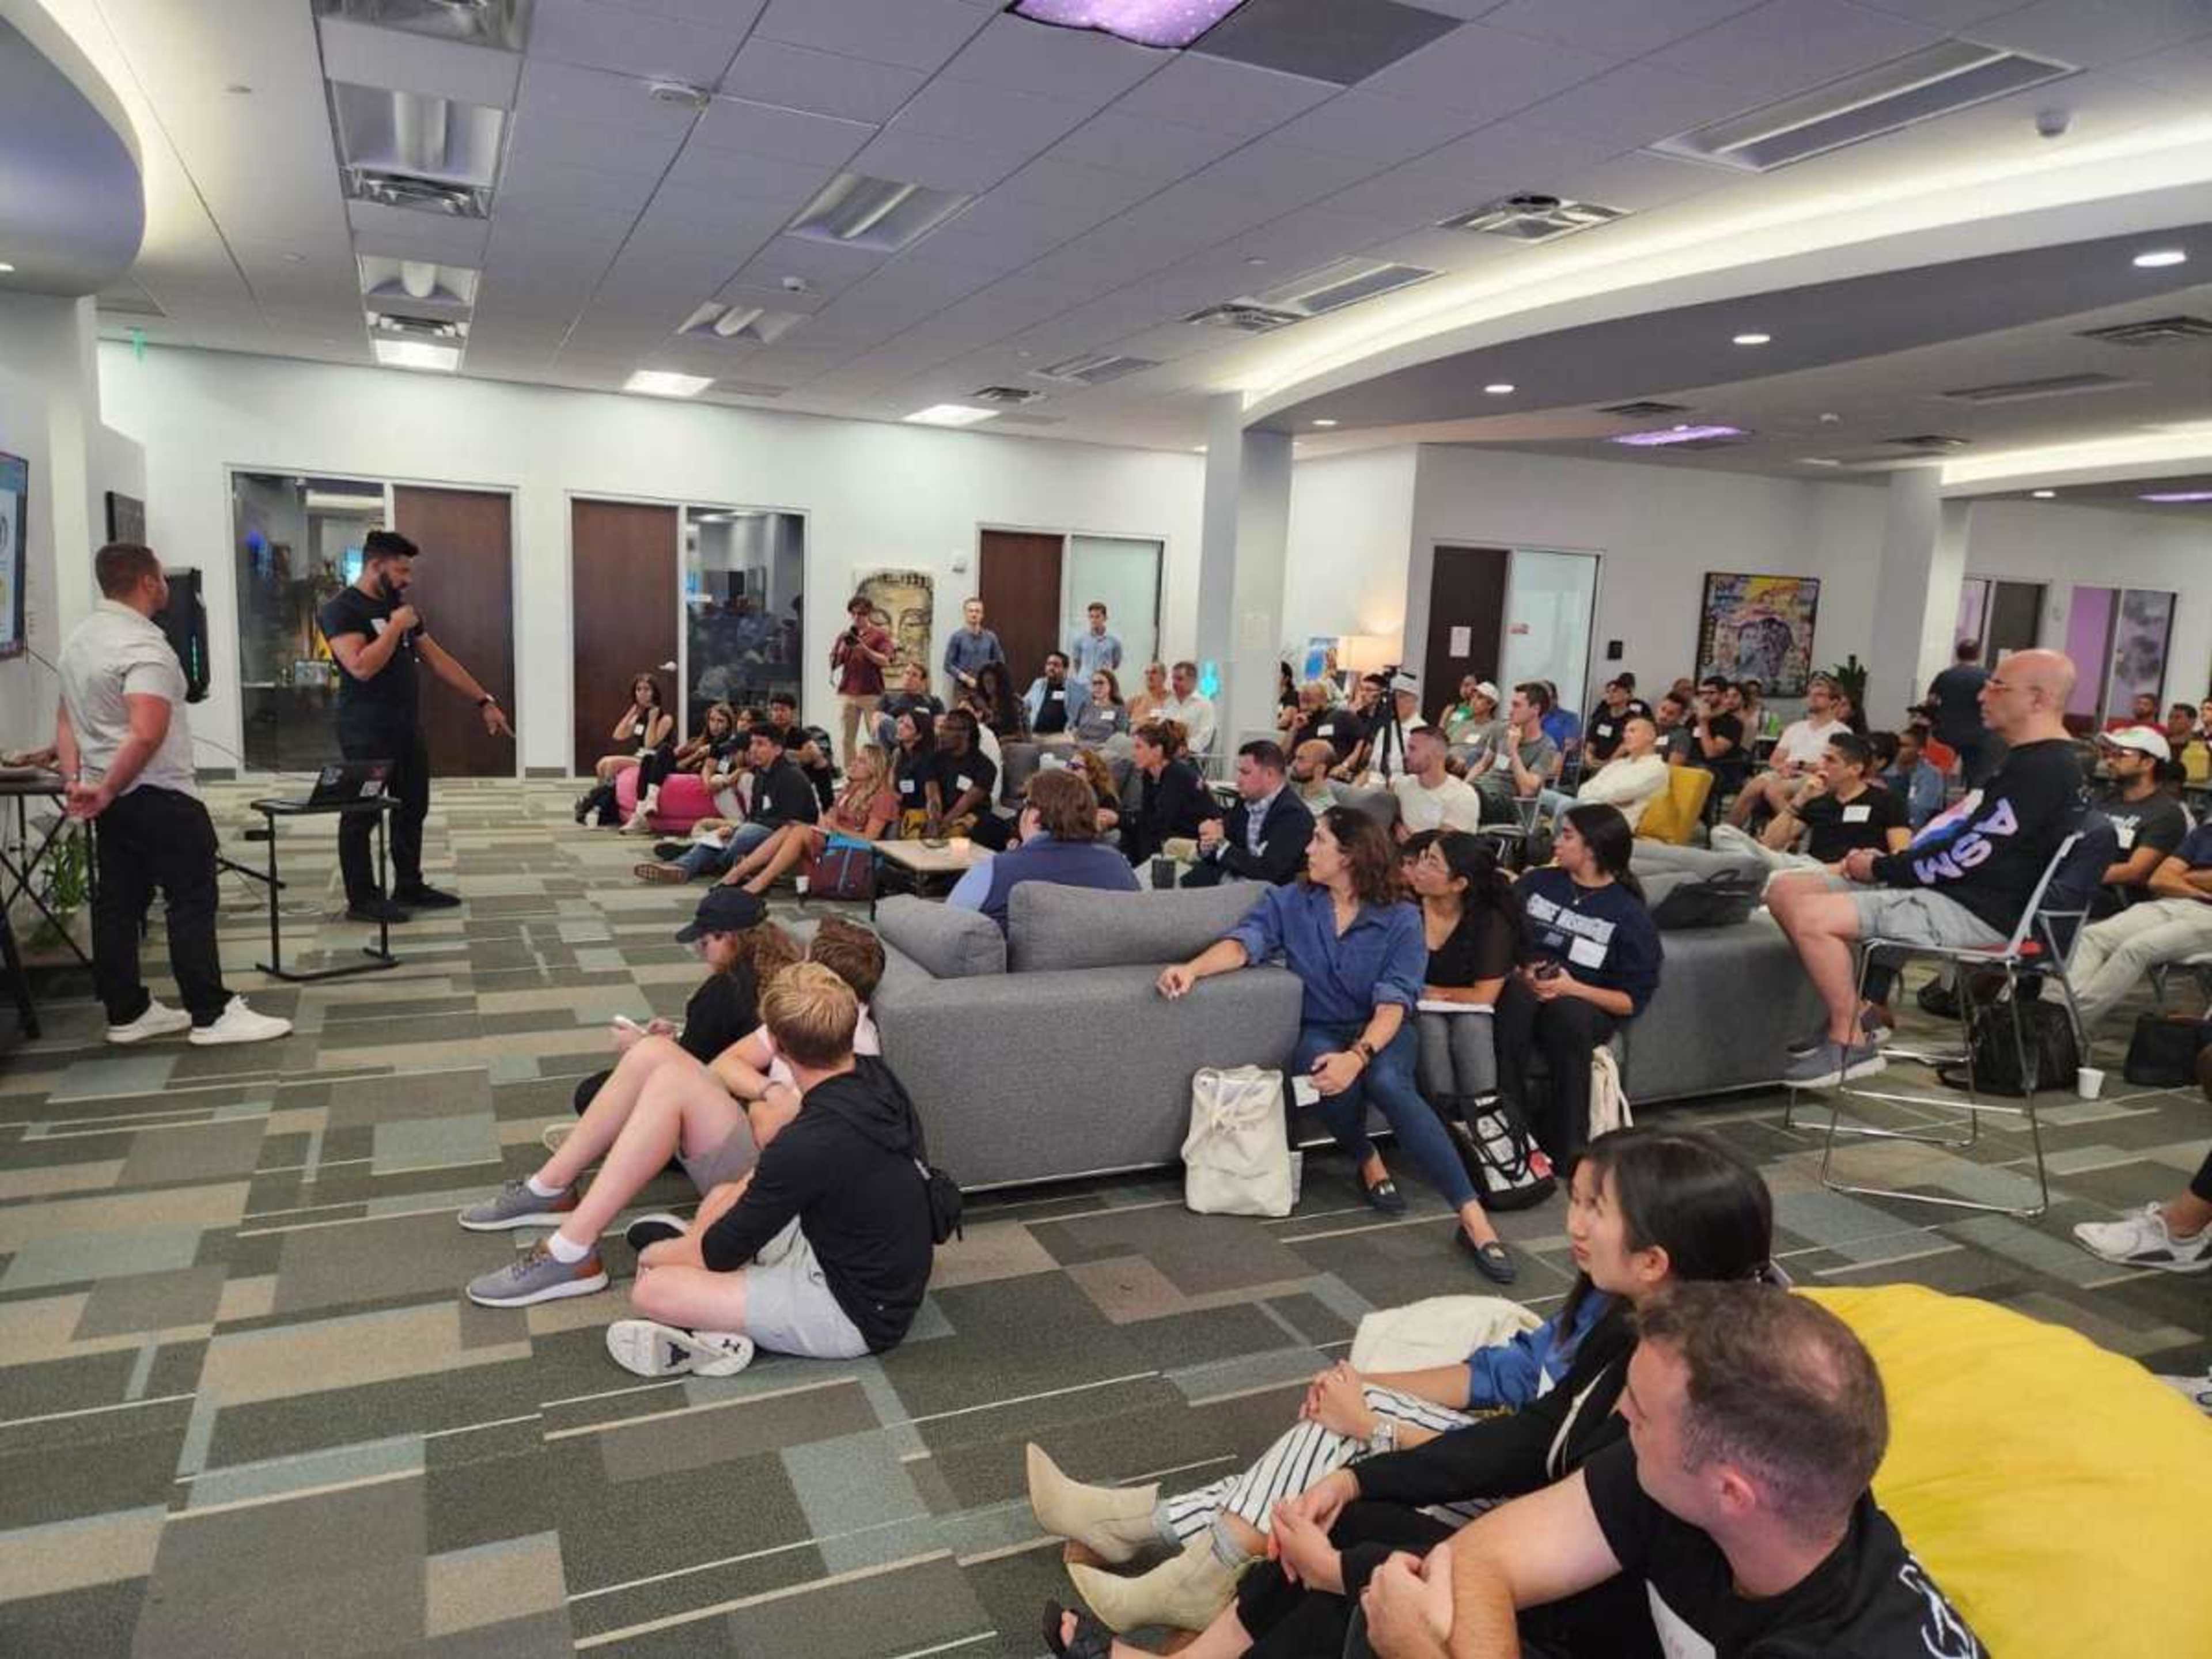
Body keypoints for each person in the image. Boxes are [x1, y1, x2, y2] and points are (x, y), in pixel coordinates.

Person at [1036, 1129, 1778, 1652]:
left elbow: (1573, 1548)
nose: (1573, 1223)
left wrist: (1349, 1551)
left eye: (1595, 1209)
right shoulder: (1628, 1326)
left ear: (1654, 1262)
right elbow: (1533, 1430)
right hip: (1547, 1545)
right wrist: (1359, 1482)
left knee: (1356, 1578)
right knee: (1348, 1512)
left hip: (1574, 1600)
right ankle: (1189, 1598)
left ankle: (1177, 1546)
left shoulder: (1684, 1415)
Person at [1351, 1282, 1981, 1659]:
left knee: (1404, 1633)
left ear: (1731, 1492)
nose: (1620, 1414)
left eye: (1642, 1414)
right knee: (1392, 1602)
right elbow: (1481, 1560)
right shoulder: (1686, 1481)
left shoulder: (1844, 1642)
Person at [1158, 808, 1512, 1274]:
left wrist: (1358, 1056)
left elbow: (1394, 1004)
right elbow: (1246, 942)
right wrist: (1193, 969)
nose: (1308, 849)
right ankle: (1366, 1156)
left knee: (1389, 1084)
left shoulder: (1402, 918)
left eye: (1319, 840)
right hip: (1322, 1027)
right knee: (1320, 1073)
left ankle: (1472, 1217)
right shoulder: (1291, 900)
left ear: (1350, 855)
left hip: (1382, 1029)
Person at [459, 889, 801, 1304]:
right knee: (654, 1057)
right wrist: (767, 1087)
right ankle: (551, 1188)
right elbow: (728, 1062)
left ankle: (570, 1245)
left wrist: (765, 1094)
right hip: (755, 1133)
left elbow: (768, 1117)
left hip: (768, 1170)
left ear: (729, 937)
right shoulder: (795, 995)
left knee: (648, 1080)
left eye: (704, 943)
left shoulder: (749, 996)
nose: (701, 952)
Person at [1768, 648, 2088, 1088]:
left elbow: (1965, 855)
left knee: (1811, 916)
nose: (1983, 696)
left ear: (2037, 699)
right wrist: (1884, 864)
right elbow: (1961, 842)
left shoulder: (2043, 769)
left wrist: (1881, 867)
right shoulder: (2027, 761)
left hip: (1977, 909)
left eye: (1998, 686)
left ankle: (1849, 1040)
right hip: (1954, 889)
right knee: (1784, 889)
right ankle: (1860, 1013)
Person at [603, 963, 937, 1376]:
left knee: (653, 1289)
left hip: (855, 1312)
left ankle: (722, 1335)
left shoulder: (808, 1141)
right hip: (862, 1259)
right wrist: (695, 1244)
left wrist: (657, 1257)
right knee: (720, 1197)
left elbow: (720, 1252)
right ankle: (720, 1299)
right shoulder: (876, 1077)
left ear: (776, 1046)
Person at [55, 541, 291, 1047]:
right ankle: (211, 1014)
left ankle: (127, 1012)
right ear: (147, 583)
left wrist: (76, 780)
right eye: (161, 577)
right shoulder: (146, 649)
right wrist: (107, 787)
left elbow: (67, 720)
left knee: (119, 904)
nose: (166, 586)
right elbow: (146, 734)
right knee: (191, 900)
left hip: (111, 799)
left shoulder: (80, 641)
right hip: (160, 795)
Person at [317, 529, 512, 922]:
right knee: (362, 812)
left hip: (405, 726)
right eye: (401, 571)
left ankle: (408, 884)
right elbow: (361, 667)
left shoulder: (402, 610)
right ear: (376, 565)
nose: (407, 580)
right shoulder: (342, 609)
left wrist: (484, 700)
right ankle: (362, 898)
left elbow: (438, 659)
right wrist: (394, 628)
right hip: (365, 730)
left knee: (412, 807)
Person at [1493, 805, 1660, 1163]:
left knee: (1567, 1015)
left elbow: (1631, 1001)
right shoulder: (1538, 883)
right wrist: (1521, 970)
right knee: (1516, 997)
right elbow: (1499, 932)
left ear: (1593, 848)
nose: (1556, 842)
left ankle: (1569, 1146)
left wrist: (1572, 988)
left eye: (1567, 836)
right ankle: (1512, 1128)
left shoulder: (1628, 914)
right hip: (1524, 987)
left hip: (1583, 1003)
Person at [2063, 816, 2212, 1040]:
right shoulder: (2206, 833)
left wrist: (2186, 876)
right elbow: (2159, 880)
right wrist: (2199, 890)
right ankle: (2059, 1012)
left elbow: (2174, 876)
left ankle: (2065, 1027)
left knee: (2136, 949)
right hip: (2175, 902)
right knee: (2091, 937)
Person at [950, 768, 1141, 926]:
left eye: (1025, 805)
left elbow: (948, 931)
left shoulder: (994, 871)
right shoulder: (1118, 866)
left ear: (1035, 816)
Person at [1407, 832, 1517, 1108]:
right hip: (1412, 1007)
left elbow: (1484, 996)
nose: (1420, 868)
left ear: (1458, 884)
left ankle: (1484, 1118)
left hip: (1468, 1009)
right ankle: (1447, 1121)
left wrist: (1431, 992)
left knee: (1472, 1024)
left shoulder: (1489, 920)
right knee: (1430, 1027)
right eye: (1424, 857)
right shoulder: (1405, 908)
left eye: (1432, 863)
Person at [638, 723, 820, 884]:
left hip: (787, 836)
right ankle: (681, 868)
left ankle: (706, 861)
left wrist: (743, 828)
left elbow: (791, 823)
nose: (753, 749)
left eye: (761, 744)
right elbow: (754, 814)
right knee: (719, 835)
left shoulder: (791, 777)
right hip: (762, 829)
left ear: (778, 750)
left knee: (747, 833)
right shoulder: (761, 774)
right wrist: (734, 829)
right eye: (752, 744)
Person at [1711, 732, 1908, 876]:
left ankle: (1760, 875)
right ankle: (1760, 872)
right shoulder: (1819, 800)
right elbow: (1771, 843)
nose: (1822, 765)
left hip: (1849, 873)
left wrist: (1864, 867)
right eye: (1823, 758)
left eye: (1831, 760)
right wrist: (1800, 799)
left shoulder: (1886, 801)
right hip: (1809, 865)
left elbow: (1901, 853)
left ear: (1855, 769)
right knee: (1722, 833)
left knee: (1779, 877)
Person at [714, 743, 897, 897]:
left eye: (861, 761)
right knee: (791, 826)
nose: (854, 763)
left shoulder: (883, 797)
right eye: (856, 759)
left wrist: (835, 827)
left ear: (875, 768)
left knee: (800, 831)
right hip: (834, 838)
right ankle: (738, 873)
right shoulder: (850, 789)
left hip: (854, 848)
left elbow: (870, 839)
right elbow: (831, 818)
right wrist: (827, 823)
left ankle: (759, 882)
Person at [1724, 673, 1849, 830]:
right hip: (1787, 772)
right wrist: (1783, 769)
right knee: (1755, 785)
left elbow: (1835, 765)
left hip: (1816, 777)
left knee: (1774, 790)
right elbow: (1775, 759)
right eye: (1810, 694)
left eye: (1820, 695)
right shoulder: (1796, 728)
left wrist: (1801, 766)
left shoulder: (1841, 732)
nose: (1813, 698)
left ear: (1834, 702)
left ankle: (1791, 832)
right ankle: (1728, 831)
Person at [1185, 740, 1315, 888]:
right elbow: (1225, 847)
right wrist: (1208, 841)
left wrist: (1220, 843)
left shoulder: (1294, 816)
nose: (1238, 780)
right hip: (1231, 881)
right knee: (1180, 885)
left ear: (1269, 774)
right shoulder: (1244, 803)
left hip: (1267, 893)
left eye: (1245, 773)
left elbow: (1269, 872)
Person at [2092, 726, 2188, 915]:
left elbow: (2135, 872)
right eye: (2109, 754)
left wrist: (2078, 873)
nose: (2110, 761)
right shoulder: (2104, 799)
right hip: (2084, 885)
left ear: (2148, 763)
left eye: (2121, 755)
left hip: (2120, 900)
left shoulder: (2167, 813)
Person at [574, 672, 675, 828]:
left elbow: (649, 744)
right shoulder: (639, 715)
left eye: (647, 689)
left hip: (653, 760)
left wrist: (652, 720)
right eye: (639, 689)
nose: (642, 693)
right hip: (639, 756)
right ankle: (602, 802)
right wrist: (632, 712)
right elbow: (618, 735)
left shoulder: (665, 718)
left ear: (654, 692)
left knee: (610, 764)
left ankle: (597, 803)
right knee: (602, 764)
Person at [1122, 721, 1213, 867]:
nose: (1134, 753)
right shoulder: (1149, 775)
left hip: (1192, 840)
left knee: (1143, 835)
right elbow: (1147, 817)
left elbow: (1162, 822)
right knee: (1130, 834)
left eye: (1139, 747)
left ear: (1157, 750)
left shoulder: (1178, 775)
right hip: (1170, 836)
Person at [1471, 684, 1558, 827]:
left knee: (1469, 797)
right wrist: (1461, 786)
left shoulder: (1547, 746)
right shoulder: (1501, 729)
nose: (1510, 711)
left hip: (1506, 803)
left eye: (1517, 706)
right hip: (1480, 791)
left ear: (1535, 709)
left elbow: (1527, 791)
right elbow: (1481, 765)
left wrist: (1513, 750)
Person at [1567, 714, 1668, 831]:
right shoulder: (1618, 764)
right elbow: (1584, 789)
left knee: (1566, 808)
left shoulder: (1656, 768)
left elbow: (1619, 793)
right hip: (1592, 812)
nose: (1625, 736)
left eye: (1632, 731)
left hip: (1617, 824)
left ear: (1650, 736)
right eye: (1625, 732)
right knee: (1551, 798)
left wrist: (1603, 795)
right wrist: (1612, 800)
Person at [830, 593, 893, 768]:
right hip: (848, 692)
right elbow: (834, 664)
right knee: (846, 739)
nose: (857, 617)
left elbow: (886, 661)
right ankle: (850, 773)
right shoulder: (846, 636)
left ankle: (878, 772)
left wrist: (863, 648)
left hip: (871, 693)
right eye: (854, 613)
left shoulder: (880, 635)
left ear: (869, 614)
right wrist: (841, 649)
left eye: (862, 614)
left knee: (876, 737)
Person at [1391, 726, 1484, 839]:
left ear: (1437, 754)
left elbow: (1445, 843)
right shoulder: (1402, 785)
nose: (1406, 755)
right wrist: (1397, 826)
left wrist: (1410, 841)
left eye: (1413, 749)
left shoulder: (1462, 795)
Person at [1929, 638, 1995, 786]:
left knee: (1940, 771)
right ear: (1979, 654)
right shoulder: (1986, 677)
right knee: (1975, 774)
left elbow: (1932, 700)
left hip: (1946, 731)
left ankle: (1939, 797)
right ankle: (1971, 797)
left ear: (1957, 654)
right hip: (1977, 733)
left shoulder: (1945, 676)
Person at [1876, 726, 1945, 829]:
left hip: (1921, 829)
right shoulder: (1884, 772)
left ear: (1920, 750)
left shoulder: (1931, 775)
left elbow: (1922, 809)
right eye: (1897, 745)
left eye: (1904, 746)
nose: (1898, 749)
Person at [1685, 676, 1746, 789]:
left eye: (1711, 693)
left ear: (1723, 695)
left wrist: (1703, 723)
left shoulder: (1732, 723)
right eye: (1702, 693)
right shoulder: (1693, 719)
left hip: (1716, 769)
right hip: (1690, 762)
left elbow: (1711, 753)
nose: (1705, 697)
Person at [873, 660, 942, 751]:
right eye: (907, 673)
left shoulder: (933, 701)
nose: (909, 678)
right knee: (884, 722)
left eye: (914, 675)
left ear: (922, 681)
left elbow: (939, 726)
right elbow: (876, 719)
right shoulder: (889, 698)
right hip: (894, 739)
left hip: (921, 740)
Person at [942, 596, 1004, 696]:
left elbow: (1000, 662)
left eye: (977, 611)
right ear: (965, 614)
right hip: (963, 688)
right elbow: (948, 665)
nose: (974, 614)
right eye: (971, 611)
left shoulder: (991, 637)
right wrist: (966, 679)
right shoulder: (957, 637)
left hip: (986, 687)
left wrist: (990, 678)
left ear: (982, 615)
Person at [1581, 677, 1650, 765]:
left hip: (1622, 766)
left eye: (1615, 691)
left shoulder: (1635, 720)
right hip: (1596, 764)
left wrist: (1608, 763)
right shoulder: (1600, 718)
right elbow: (1591, 742)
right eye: (1607, 692)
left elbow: (1626, 745)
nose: (1610, 694)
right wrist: (1590, 758)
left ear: (1627, 695)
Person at [1161, 660, 1219, 760]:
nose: (1174, 683)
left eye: (1180, 679)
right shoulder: (1168, 702)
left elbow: (1204, 736)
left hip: (1190, 757)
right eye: (1173, 679)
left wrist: (1186, 747)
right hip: (1167, 755)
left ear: (1193, 681)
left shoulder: (1205, 705)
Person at [1026, 652, 1090, 739]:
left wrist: (1076, 731)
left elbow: (1087, 710)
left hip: (1060, 737)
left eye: (1056, 665)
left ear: (1066, 669)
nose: (1051, 668)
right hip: (1035, 734)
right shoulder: (1038, 684)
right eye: (1049, 664)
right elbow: (1025, 705)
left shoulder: (1077, 689)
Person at [1439, 679, 1503, 763]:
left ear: (1491, 704)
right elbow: (1444, 744)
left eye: (1480, 698)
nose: (1474, 701)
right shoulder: (1462, 724)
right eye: (1473, 697)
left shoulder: (1495, 728)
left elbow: (1492, 758)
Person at [974, 659, 1030, 743]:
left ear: (1000, 682)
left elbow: (1024, 735)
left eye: (990, 681)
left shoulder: (1015, 702)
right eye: (984, 682)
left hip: (1011, 744)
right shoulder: (981, 702)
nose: (987, 685)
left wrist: (1001, 740)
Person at [1074, 669, 1130, 747]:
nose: (1097, 687)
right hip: (1080, 747)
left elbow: (1121, 738)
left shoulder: (1119, 710)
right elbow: (1076, 730)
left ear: (1111, 685)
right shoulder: (1085, 706)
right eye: (1094, 683)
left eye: (1101, 683)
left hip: (1105, 749)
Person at [1070, 600, 1124, 679]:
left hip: (1104, 680)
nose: (1094, 620)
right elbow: (1077, 661)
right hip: (1085, 680)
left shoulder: (1114, 640)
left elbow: (1116, 663)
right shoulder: (1080, 639)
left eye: (1098, 617)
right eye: (1091, 617)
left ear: (1105, 618)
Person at [1291, 740, 1341, 813]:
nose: (1293, 764)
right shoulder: (1290, 788)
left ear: (1320, 769)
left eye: (1301, 760)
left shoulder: (1324, 807)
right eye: (1295, 758)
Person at [1128, 661, 1171, 727]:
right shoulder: (1136, 700)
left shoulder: (1172, 699)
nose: (1149, 676)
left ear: (1164, 677)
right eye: (1147, 673)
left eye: (1154, 672)